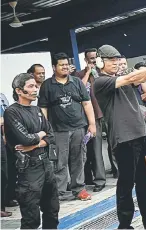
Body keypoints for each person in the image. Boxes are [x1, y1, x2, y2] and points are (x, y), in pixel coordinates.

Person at [94, 45, 146, 229]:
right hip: (123, 139)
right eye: (111, 60)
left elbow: (138, 78)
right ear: (100, 62)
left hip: (139, 134)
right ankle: (124, 225)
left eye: (116, 60)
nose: (115, 63)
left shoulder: (120, 79)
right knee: (126, 185)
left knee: (145, 183)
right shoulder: (100, 82)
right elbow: (131, 77)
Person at [4, 73, 59, 229]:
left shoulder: (37, 110)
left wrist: (35, 144)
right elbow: (25, 139)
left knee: (52, 210)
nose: (35, 89)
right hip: (28, 169)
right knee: (31, 217)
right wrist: (40, 136)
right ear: (19, 91)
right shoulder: (12, 112)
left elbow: (51, 135)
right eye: (30, 86)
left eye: (36, 86)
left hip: (46, 165)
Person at [38, 52, 95, 201]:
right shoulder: (47, 85)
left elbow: (87, 103)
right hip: (57, 130)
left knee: (79, 159)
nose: (65, 67)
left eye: (67, 65)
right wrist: (45, 129)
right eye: (61, 65)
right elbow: (43, 108)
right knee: (59, 162)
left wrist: (92, 124)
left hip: (78, 128)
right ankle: (59, 192)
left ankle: (79, 189)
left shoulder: (76, 82)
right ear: (54, 67)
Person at [75, 48, 106, 192]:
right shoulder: (80, 74)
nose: (94, 60)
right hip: (95, 115)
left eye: (96, 57)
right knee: (96, 149)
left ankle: (119, 171)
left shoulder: (103, 71)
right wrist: (88, 72)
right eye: (91, 58)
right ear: (86, 60)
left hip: (109, 112)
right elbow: (79, 89)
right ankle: (100, 180)